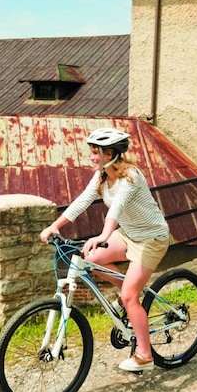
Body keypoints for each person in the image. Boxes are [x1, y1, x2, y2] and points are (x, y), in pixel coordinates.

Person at [40, 127, 171, 372]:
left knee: (130, 296)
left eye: (95, 152)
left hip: (151, 239)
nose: (91, 157)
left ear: (110, 153)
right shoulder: (101, 176)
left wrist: (103, 235)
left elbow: (117, 207)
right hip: (129, 234)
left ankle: (145, 355)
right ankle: (128, 295)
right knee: (91, 258)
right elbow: (82, 201)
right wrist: (55, 225)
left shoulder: (131, 176)